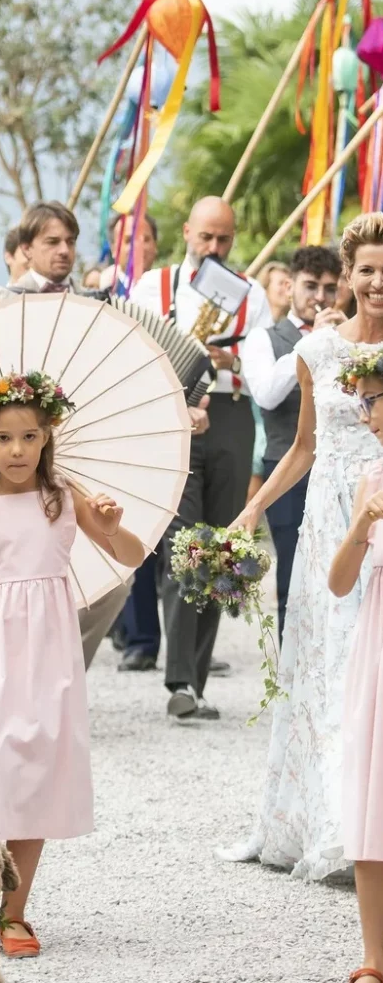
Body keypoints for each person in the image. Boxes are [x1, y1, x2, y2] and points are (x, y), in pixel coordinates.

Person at [0, 372, 144, 956]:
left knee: (33, 774)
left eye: (30, 436)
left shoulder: (64, 496)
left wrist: (108, 526)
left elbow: (130, 555)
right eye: (4, 439)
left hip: (50, 650)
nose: (18, 450)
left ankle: (15, 913)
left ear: (48, 435)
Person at [221, 213, 383, 880]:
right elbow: (304, 447)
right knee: (327, 663)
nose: (378, 282)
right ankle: (330, 825)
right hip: (326, 519)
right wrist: (253, 508)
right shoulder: (316, 349)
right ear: (348, 277)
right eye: (368, 270)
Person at [130, 197, 272, 719]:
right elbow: (137, 353)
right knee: (180, 544)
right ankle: (179, 681)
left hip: (232, 414)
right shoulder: (154, 286)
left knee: (219, 546)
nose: (214, 248)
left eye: (224, 240)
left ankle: (199, 677)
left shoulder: (251, 293)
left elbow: (263, 374)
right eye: (206, 237)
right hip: (173, 419)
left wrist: (229, 357)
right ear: (187, 231)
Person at [0, 200, 136, 669]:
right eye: (52, 242)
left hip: (72, 453)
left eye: (70, 241)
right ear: (25, 249)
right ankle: (4, 677)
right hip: (11, 458)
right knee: (10, 579)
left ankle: (65, 670)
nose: (64, 250)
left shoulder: (95, 308)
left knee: (114, 578)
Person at [242, 245, 343, 641]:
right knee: (294, 575)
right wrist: (312, 343)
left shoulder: (347, 333)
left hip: (337, 466)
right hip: (286, 468)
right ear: (289, 287)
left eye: (330, 289)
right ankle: (292, 675)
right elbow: (266, 394)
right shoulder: (263, 338)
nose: (320, 297)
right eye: (311, 286)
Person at [329, 355, 383, 983]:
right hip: (377, 637)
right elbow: (339, 583)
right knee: (373, 788)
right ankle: (374, 956)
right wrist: (362, 527)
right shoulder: (370, 476)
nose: (365, 414)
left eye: (372, 400)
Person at [99, 213, 159, 294]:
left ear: (155, 246)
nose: (138, 246)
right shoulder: (104, 299)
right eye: (129, 240)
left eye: (145, 239)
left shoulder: (170, 294)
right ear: (114, 250)